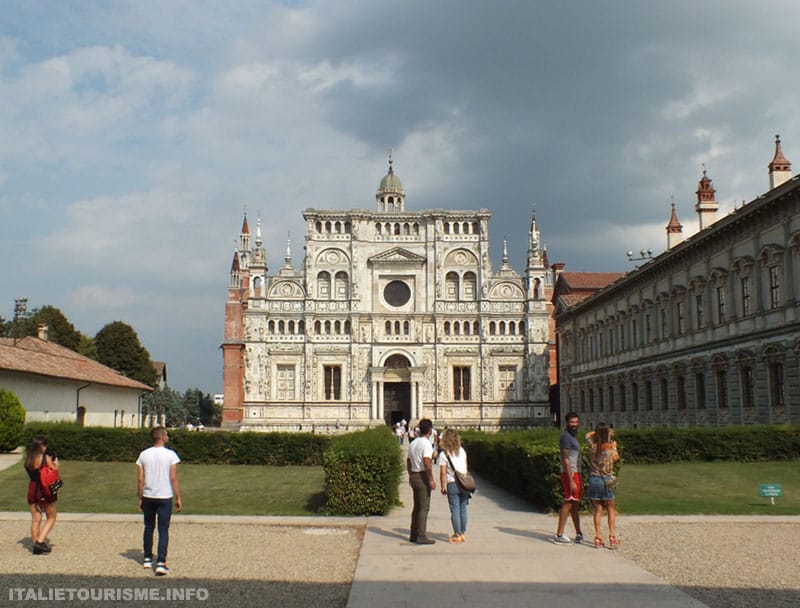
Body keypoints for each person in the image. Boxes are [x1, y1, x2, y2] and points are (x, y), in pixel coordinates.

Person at [136, 427, 182, 575]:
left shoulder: (144, 454)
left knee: (148, 527)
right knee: (163, 529)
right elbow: (173, 477)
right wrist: (178, 496)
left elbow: (140, 478)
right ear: (162, 437)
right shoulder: (170, 455)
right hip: (164, 496)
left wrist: (140, 497)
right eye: (166, 434)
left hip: (149, 495)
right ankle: (161, 561)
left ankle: (147, 558)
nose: (167, 436)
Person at [586, 422, 620, 549]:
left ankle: (598, 537)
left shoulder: (593, 446)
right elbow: (616, 458)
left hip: (594, 479)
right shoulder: (611, 446)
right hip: (607, 479)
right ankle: (612, 536)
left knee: (597, 510)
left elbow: (587, 435)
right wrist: (611, 440)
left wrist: (598, 432)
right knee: (610, 508)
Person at [553, 412, 584, 544]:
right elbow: (565, 459)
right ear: (566, 422)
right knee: (569, 501)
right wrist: (571, 479)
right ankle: (559, 534)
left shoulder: (572, 436)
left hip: (575, 472)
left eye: (576, 422)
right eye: (572, 422)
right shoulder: (566, 437)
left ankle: (578, 532)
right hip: (569, 473)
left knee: (575, 503)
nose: (574, 425)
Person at [24, 436, 58, 555]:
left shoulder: (28, 459)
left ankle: (35, 546)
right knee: (51, 517)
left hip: (32, 488)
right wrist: (55, 464)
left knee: (36, 519)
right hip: (44, 489)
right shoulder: (44, 458)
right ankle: (39, 542)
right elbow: (53, 471)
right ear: (42, 446)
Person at [406, 418, 436, 544]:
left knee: (417, 507)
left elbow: (408, 461)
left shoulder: (413, 443)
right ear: (429, 430)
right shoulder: (426, 443)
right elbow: (427, 461)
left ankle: (413, 534)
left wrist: (410, 474)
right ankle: (422, 535)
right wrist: (431, 479)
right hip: (422, 476)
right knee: (424, 507)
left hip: (413, 475)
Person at [438, 428, 470, 543]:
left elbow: (443, 473)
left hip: (452, 483)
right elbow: (466, 467)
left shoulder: (444, 454)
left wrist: (443, 486)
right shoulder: (462, 451)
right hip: (464, 483)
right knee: (463, 509)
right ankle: (462, 533)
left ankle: (456, 535)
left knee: (455, 509)